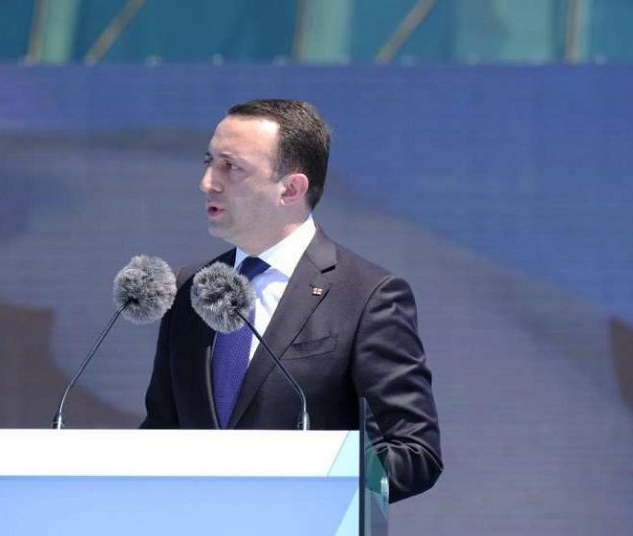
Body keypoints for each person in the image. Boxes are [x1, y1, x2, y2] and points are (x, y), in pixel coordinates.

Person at [141, 99, 442, 502]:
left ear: (291, 189)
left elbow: (414, 453)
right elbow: (161, 432)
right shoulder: (192, 290)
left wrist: (303, 481)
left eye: (231, 167)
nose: (208, 182)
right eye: (209, 162)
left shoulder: (367, 296)